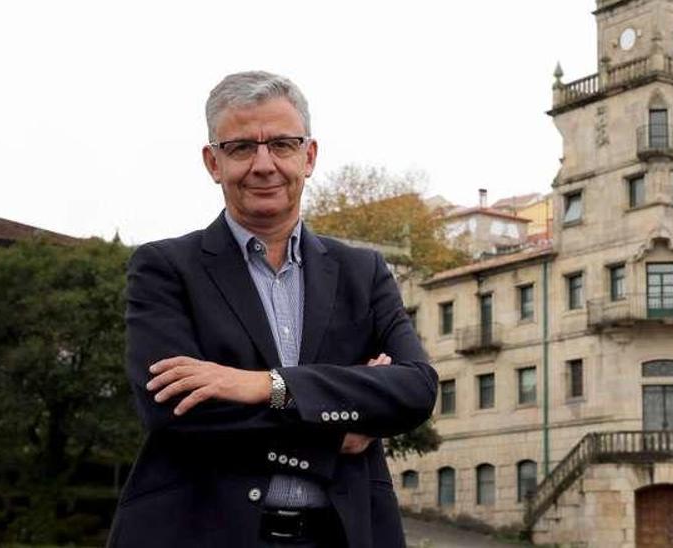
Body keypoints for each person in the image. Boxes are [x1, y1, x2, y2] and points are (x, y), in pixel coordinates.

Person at [108, 71, 437, 547]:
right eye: (241, 147)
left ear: (309, 156)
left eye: (282, 144)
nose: (264, 164)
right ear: (213, 162)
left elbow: (414, 388)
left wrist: (264, 386)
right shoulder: (164, 268)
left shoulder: (362, 272)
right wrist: (334, 425)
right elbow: (174, 408)